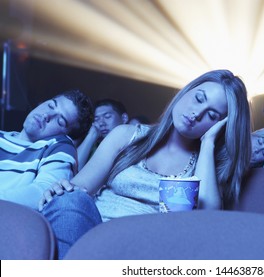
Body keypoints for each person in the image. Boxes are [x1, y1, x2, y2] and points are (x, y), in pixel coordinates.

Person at [39, 69, 251, 259]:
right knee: (68, 201)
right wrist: (63, 189)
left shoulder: (206, 169)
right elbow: (81, 188)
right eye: (198, 98)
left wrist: (208, 143)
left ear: (222, 126)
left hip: (144, 251)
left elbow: (208, 220)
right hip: (89, 231)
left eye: (212, 115)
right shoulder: (126, 135)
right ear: (186, 91)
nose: (197, 113)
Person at [0, 89, 94, 209]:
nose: (47, 115)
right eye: (50, 105)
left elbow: (44, 193)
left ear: (65, 135)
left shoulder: (58, 147)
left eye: (60, 121)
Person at [77, 99, 129, 170]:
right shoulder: (93, 147)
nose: (101, 123)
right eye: (96, 119)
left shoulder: (135, 146)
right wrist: (91, 136)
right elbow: (73, 168)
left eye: (107, 116)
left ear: (124, 118)